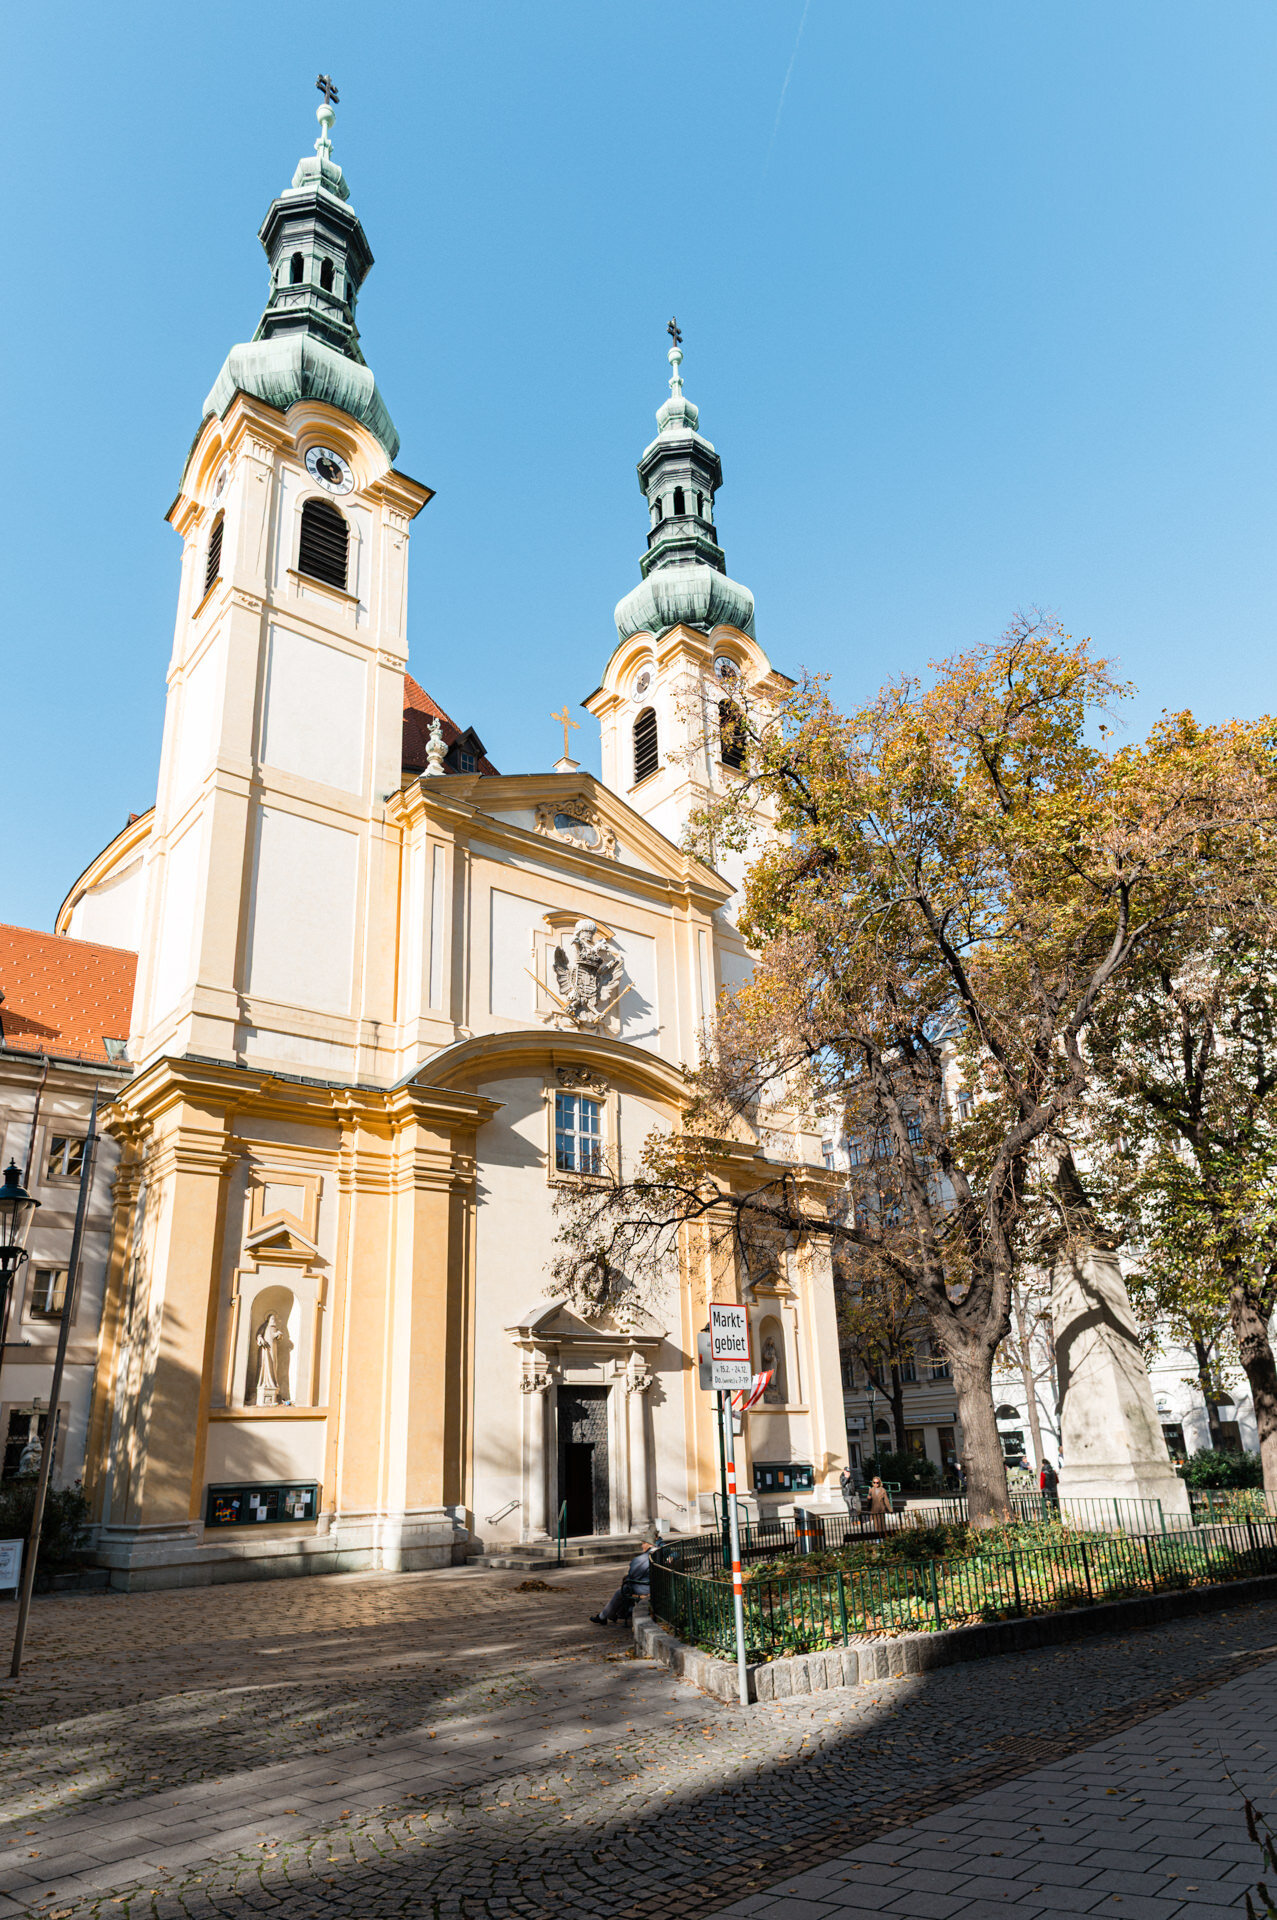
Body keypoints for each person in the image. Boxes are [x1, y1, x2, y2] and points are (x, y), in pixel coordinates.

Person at [589, 1540, 653, 1625]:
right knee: (624, 1589)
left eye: (644, 1543)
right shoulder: (660, 1553)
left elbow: (633, 1575)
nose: (642, 1546)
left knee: (622, 1590)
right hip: (651, 1587)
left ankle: (605, 1616)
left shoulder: (644, 1558)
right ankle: (608, 1615)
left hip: (647, 1590)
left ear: (650, 1544)